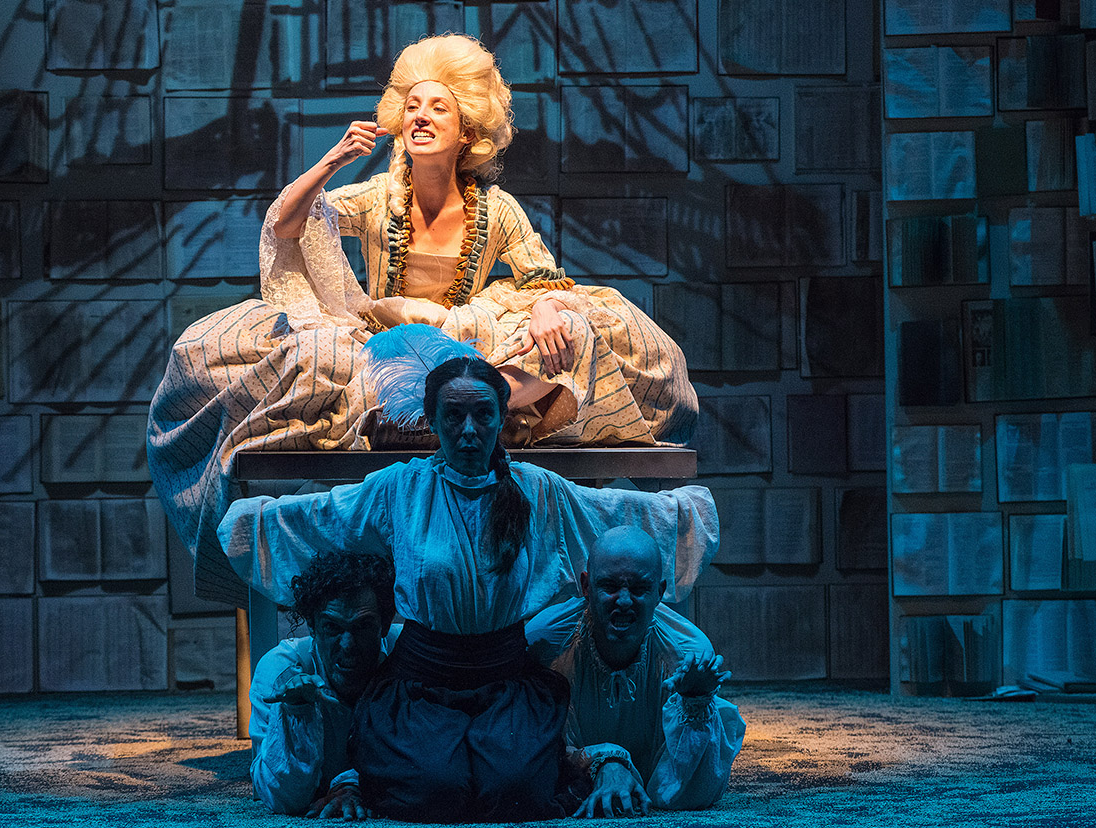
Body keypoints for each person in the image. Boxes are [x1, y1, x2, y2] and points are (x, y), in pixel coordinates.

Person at [147, 33, 699, 605]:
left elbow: (545, 278)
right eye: (412, 105)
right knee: (275, 351)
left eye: (439, 107)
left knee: (575, 328)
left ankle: (465, 406)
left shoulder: (496, 208)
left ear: (467, 132)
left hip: (467, 345)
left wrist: (543, 310)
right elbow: (288, 223)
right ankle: (430, 409)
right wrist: (333, 161)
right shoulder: (379, 196)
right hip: (385, 347)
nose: (422, 116)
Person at [218, 340, 719, 822]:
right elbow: (325, 518)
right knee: (433, 791)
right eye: (454, 416)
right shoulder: (402, 487)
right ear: (433, 421)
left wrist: (685, 514)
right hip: (422, 682)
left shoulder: (536, 489)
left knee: (514, 792)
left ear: (501, 419)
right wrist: (248, 522)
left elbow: (607, 512)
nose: (469, 430)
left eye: (482, 415)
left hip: (505, 679)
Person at [527, 526, 746, 816]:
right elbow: (530, 749)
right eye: (609, 586)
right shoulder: (546, 643)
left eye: (640, 589)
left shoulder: (685, 653)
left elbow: (692, 791)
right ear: (586, 586)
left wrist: (695, 701)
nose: (624, 601)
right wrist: (602, 760)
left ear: (659, 592)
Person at [249, 551, 397, 818]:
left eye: (363, 627)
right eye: (332, 628)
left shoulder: (404, 656)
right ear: (312, 627)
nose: (348, 645)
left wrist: (354, 783)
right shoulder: (282, 668)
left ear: (384, 625)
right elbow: (281, 798)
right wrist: (297, 712)